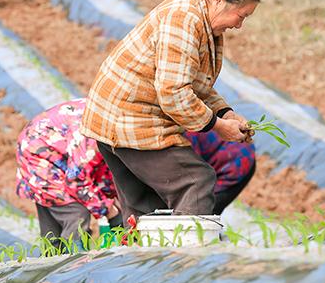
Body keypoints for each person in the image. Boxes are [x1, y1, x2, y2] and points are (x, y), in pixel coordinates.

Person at [81, 0, 261, 221]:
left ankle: (144, 258)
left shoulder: (199, 16)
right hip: (130, 120)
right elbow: (174, 92)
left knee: (146, 208)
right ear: (219, 0)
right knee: (196, 181)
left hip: (114, 120)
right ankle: (182, 259)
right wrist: (218, 126)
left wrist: (226, 112)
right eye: (241, 16)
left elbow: (195, 82)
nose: (239, 25)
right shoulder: (184, 20)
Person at [16, 99, 257, 251]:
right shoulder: (102, 133)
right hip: (41, 152)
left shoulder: (126, 128)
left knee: (53, 214)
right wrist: (105, 208)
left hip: (48, 149)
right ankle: (69, 272)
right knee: (74, 215)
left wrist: (111, 204)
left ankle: (49, 269)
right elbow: (79, 175)